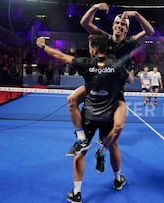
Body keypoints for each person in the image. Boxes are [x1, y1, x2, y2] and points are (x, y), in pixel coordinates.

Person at [36, 34, 133, 203]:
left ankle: (77, 192)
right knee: (114, 147)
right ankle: (117, 179)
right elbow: (130, 79)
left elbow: (60, 56)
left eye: (90, 46)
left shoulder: (86, 64)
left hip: (88, 117)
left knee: (80, 153)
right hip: (108, 117)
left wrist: (43, 46)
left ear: (94, 49)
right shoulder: (117, 65)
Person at [66, 2, 155, 156]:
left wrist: (136, 15)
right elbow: (84, 23)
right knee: (72, 99)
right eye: (117, 23)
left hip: (115, 89)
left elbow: (150, 31)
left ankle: (102, 151)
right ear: (113, 25)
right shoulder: (104, 37)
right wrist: (94, 7)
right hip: (96, 84)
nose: (119, 25)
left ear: (126, 29)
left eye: (123, 24)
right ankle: (81, 138)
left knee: (113, 129)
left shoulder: (130, 42)